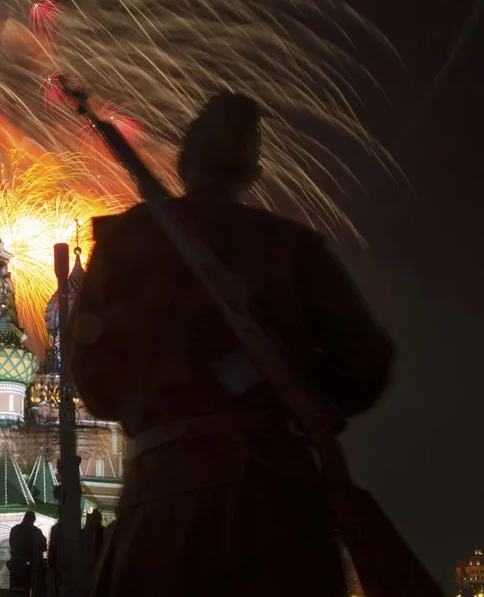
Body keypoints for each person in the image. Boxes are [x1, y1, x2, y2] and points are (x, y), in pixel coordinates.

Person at [69, 91, 395, 596]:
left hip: (161, 508)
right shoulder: (294, 247)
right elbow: (368, 365)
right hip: (277, 506)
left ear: (184, 160)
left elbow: (92, 378)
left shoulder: (125, 241)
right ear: (253, 169)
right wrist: (294, 393)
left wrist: (165, 397)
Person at [7, 511, 46, 593]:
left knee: (15, 589)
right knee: (26, 589)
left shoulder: (15, 529)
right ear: (33, 520)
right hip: (29, 565)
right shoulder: (36, 531)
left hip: (16, 564)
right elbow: (43, 547)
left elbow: (12, 544)